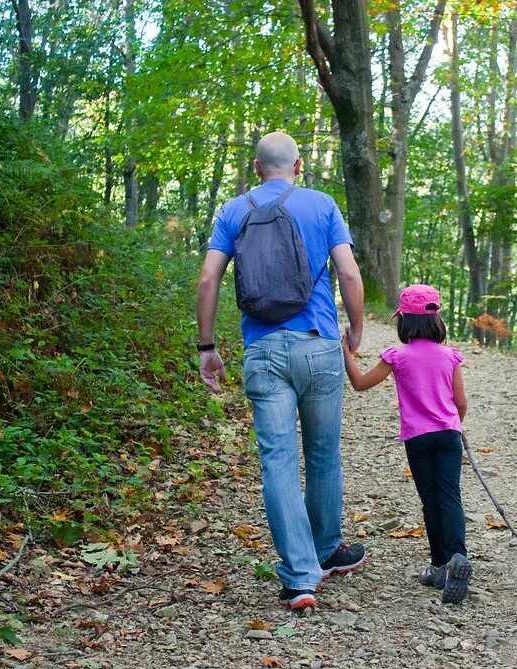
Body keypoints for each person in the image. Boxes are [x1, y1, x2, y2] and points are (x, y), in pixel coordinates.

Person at [195, 131, 367, 611]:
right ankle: (327, 550)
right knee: (323, 453)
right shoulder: (321, 204)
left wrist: (207, 346)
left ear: (256, 168)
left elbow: (209, 277)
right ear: (299, 166)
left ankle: (299, 576)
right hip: (318, 347)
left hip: (264, 350)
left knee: (277, 461)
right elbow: (349, 274)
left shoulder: (234, 210)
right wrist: (355, 327)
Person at [341, 284, 473, 604]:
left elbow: (360, 384)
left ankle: (439, 565)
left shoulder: (397, 356)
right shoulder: (449, 357)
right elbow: (461, 403)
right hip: (448, 435)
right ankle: (458, 555)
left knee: (431, 502)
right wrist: (456, 425)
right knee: (450, 496)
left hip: (418, 439)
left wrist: (344, 349)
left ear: (405, 323)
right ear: (436, 321)